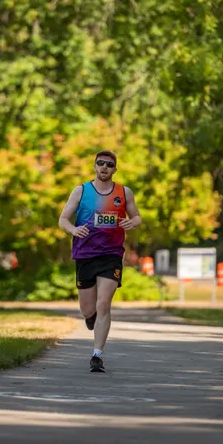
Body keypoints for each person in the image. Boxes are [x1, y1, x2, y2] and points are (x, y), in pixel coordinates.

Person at [58, 150, 142, 373]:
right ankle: (91, 316)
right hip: (85, 254)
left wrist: (132, 223)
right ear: (95, 166)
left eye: (109, 164)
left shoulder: (124, 192)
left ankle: (97, 355)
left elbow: (137, 216)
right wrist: (74, 229)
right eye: (100, 163)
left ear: (115, 169)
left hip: (111, 255)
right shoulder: (81, 191)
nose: (104, 167)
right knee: (88, 309)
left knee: (104, 303)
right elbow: (63, 219)